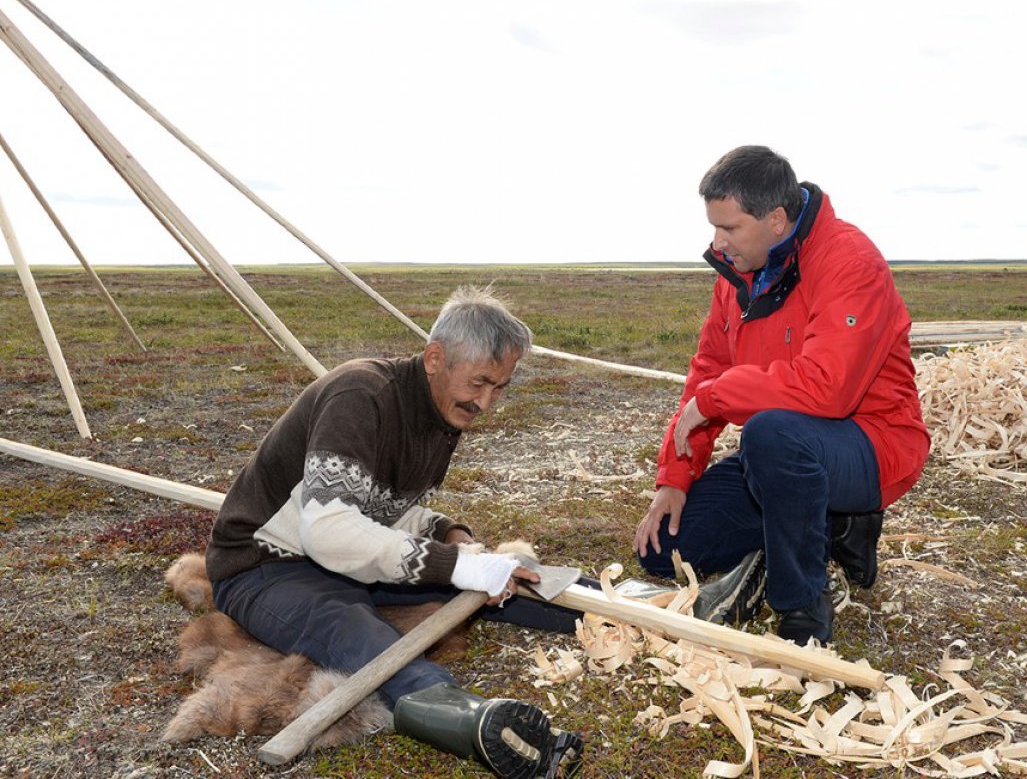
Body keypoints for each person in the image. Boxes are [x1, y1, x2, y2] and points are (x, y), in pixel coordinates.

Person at [205, 285, 582, 778]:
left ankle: (642, 610)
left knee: (514, 574)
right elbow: (332, 531)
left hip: (334, 556)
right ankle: (481, 726)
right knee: (355, 629)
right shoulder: (360, 397)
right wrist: (458, 567)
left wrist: (451, 535)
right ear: (434, 358)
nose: (486, 403)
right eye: (479, 382)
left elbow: (382, 509)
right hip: (264, 566)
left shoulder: (438, 413)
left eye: (500, 387)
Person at [633, 146, 930, 645]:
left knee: (769, 434)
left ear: (775, 218)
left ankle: (802, 606)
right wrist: (675, 479)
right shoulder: (738, 274)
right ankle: (830, 527)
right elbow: (708, 368)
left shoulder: (850, 261)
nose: (717, 242)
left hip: (873, 444)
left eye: (730, 228)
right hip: (786, 456)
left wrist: (716, 398)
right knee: (664, 551)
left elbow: (828, 388)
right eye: (714, 227)